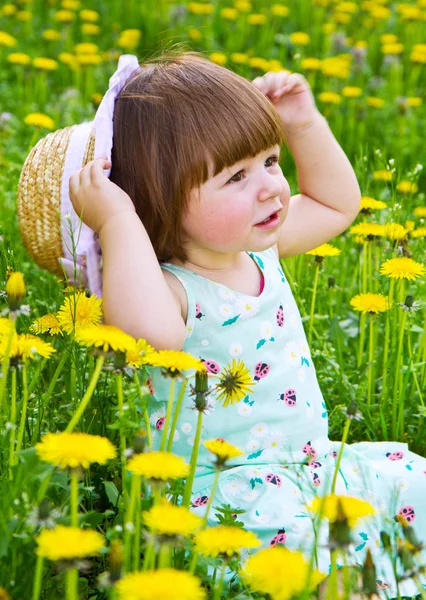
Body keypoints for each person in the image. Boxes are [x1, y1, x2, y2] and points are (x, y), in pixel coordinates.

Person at [68, 49, 426, 597]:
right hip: (235, 494)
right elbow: (153, 334)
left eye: (271, 161)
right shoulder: (172, 290)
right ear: (157, 200)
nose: (269, 188)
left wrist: (304, 125)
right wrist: (118, 219)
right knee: (313, 566)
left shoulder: (262, 250)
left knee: (413, 485)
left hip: (314, 464)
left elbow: (336, 204)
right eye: (236, 176)